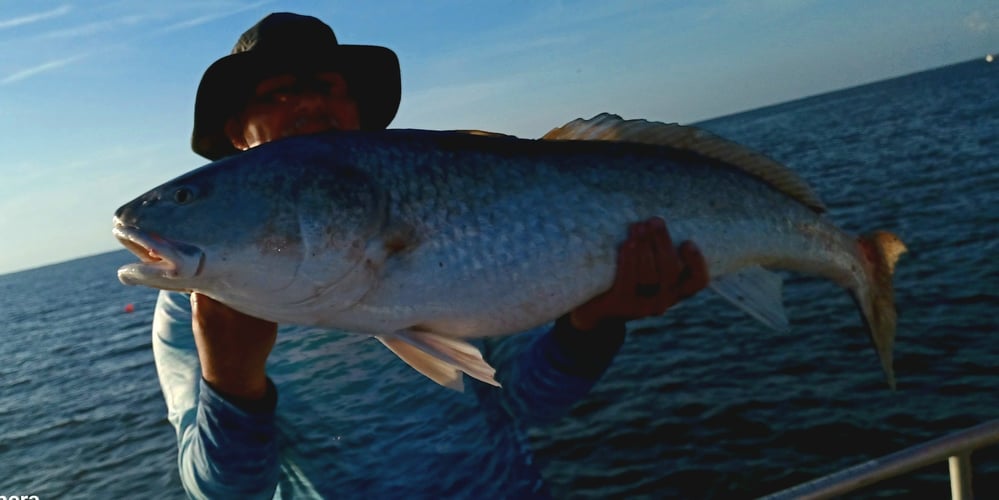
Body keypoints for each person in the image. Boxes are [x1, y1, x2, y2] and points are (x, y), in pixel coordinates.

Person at [152, 12, 709, 499]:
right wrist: (231, 380)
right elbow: (225, 493)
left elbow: (533, 401)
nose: (308, 103)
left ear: (358, 112)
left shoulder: (465, 212)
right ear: (237, 133)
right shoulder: (196, 308)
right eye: (275, 93)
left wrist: (594, 322)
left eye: (326, 84)